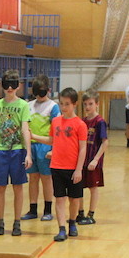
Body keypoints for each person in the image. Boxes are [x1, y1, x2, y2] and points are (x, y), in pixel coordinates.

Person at [0, 69, 32, 236]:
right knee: (0, 187)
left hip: (17, 150)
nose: (9, 88)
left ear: (18, 86)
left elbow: (25, 129)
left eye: (12, 85)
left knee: (18, 187)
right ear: (2, 86)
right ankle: (0, 222)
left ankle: (17, 222)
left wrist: (28, 153)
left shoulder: (23, 105)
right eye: (6, 85)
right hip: (0, 150)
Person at [36, 87, 87, 242]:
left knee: (74, 199)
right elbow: (52, 140)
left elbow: (83, 148)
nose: (63, 107)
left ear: (75, 104)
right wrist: (34, 136)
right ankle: (61, 229)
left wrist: (78, 169)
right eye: (61, 104)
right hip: (57, 166)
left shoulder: (80, 124)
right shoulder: (56, 121)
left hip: (73, 168)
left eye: (67, 104)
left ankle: (72, 222)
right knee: (59, 198)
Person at [22, 74, 60, 222]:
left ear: (48, 90)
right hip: (31, 146)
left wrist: (53, 149)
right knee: (33, 178)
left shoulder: (53, 106)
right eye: (36, 93)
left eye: (42, 93)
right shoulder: (29, 105)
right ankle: (32, 209)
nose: (38, 96)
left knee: (46, 178)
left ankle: (47, 210)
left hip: (45, 146)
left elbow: (57, 130)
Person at [76, 90, 108, 225]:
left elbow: (105, 142)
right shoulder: (82, 121)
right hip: (82, 160)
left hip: (93, 161)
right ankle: (80, 213)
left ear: (97, 104)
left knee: (93, 187)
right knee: (78, 186)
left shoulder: (100, 122)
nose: (87, 107)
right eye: (85, 104)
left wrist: (95, 159)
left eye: (90, 104)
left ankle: (91, 214)